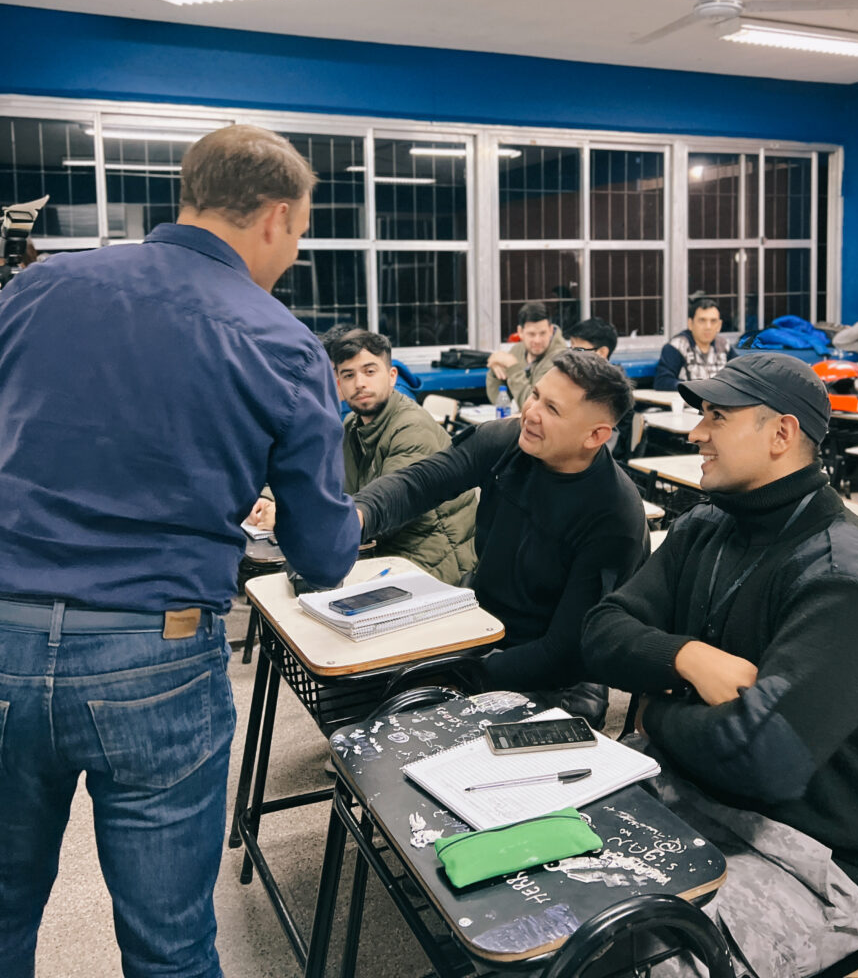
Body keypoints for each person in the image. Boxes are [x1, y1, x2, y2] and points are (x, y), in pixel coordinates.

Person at [0, 124, 360, 978]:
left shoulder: (35, 288)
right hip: (153, 658)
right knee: (170, 947)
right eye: (301, 232)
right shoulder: (280, 342)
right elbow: (322, 556)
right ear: (276, 217)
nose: (295, 253)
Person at [582, 353, 858, 978]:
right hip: (683, 790)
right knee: (540, 894)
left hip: (808, 861)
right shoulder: (708, 524)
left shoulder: (846, 577)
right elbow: (600, 632)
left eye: (717, 416)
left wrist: (656, 712)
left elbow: (765, 759)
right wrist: (686, 656)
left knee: (628, 960)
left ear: (781, 434)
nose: (695, 433)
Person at [355, 350, 649, 726]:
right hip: (484, 624)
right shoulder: (509, 441)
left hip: (557, 677)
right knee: (372, 673)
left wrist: (460, 678)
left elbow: (563, 652)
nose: (531, 412)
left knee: (421, 718)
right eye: (535, 394)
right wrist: (359, 514)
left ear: (595, 435)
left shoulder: (614, 515)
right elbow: (422, 482)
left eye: (552, 409)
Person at [330, 329, 477, 584]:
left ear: (392, 376)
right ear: (339, 385)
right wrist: (273, 502)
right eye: (349, 375)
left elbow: (390, 510)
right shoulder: (352, 424)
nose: (360, 383)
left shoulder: (410, 426)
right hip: (387, 553)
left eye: (369, 371)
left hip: (436, 564)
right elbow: (326, 478)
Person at [567, 316, 636, 465]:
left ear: (602, 352)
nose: (572, 355)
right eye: (570, 348)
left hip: (601, 461)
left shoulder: (613, 388)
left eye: (579, 350)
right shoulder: (580, 379)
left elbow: (606, 445)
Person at [485, 299, 567, 407]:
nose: (537, 340)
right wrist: (495, 371)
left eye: (543, 333)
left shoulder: (560, 358)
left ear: (551, 330)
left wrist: (513, 368)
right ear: (520, 332)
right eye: (531, 334)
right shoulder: (517, 350)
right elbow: (499, 400)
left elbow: (534, 405)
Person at [654, 297, 733, 390]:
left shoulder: (724, 346)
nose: (708, 327)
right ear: (690, 323)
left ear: (719, 325)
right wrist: (696, 388)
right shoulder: (677, 346)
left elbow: (741, 376)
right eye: (702, 320)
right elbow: (662, 381)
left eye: (713, 321)